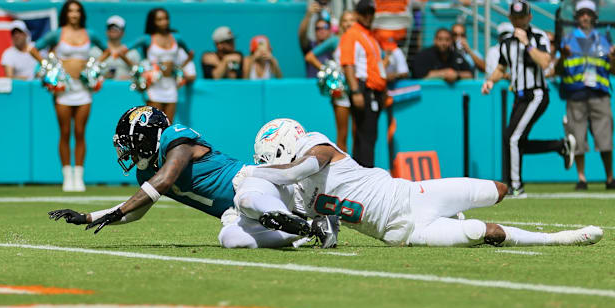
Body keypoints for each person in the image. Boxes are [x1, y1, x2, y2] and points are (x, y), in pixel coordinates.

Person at [232, 119, 603, 248]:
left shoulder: (316, 145)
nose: (268, 165)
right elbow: (306, 226)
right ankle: (557, 238)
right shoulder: (295, 195)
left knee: (497, 190)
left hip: (413, 194)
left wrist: (253, 171)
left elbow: (294, 171)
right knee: (479, 232)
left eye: (268, 158)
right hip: (400, 232)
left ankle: (455, 214)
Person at [46, 106, 335, 249]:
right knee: (230, 238)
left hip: (252, 183)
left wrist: (120, 208)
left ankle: (289, 216)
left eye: (130, 144)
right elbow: (135, 214)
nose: (129, 152)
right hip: (232, 210)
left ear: (146, 137)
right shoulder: (145, 173)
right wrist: (89, 217)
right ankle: (305, 231)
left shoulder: (176, 139)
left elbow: (166, 180)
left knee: (246, 198)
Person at [482, 0, 575, 198]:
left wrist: (526, 43)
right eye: (515, 17)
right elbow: (501, 68)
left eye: (522, 17)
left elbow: (544, 61)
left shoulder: (538, 36)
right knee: (516, 141)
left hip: (537, 94)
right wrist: (490, 81)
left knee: (512, 137)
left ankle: (516, 187)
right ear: (510, 18)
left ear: (529, 17)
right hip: (519, 96)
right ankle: (560, 146)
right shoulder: (506, 43)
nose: (518, 21)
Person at [28, 0, 114, 192]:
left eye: (77, 11)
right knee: (65, 131)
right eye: (70, 11)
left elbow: (107, 50)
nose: (74, 14)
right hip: (64, 88)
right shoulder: (58, 33)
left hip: (83, 87)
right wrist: (50, 68)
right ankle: (67, 176)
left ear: (81, 14)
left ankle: (79, 176)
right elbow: (33, 48)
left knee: (80, 131)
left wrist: (93, 66)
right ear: (65, 14)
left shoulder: (89, 33)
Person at [557, 0, 615, 190]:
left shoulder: (605, 39)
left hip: (599, 93)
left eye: (588, 14)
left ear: (594, 17)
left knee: (605, 138)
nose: (585, 17)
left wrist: (613, 58)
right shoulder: (567, 39)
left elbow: (612, 70)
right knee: (577, 138)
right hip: (576, 95)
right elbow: (558, 69)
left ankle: (609, 178)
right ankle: (582, 179)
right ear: (576, 17)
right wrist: (563, 56)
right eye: (581, 13)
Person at [340, 0, 386, 168]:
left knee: (366, 137)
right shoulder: (352, 34)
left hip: (374, 90)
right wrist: (355, 91)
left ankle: (361, 174)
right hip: (363, 89)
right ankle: (367, 176)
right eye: (364, 12)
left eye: (371, 12)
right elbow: (348, 63)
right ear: (357, 14)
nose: (368, 16)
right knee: (366, 137)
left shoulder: (369, 34)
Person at [128, 8, 194, 121]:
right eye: (159, 19)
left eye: (166, 18)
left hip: (171, 85)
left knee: (168, 125)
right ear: (153, 22)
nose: (164, 22)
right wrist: (139, 70)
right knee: (153, 124)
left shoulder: (176, 38)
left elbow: (191, 54)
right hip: (154, 86)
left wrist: (179, 69)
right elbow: (122, 51)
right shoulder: (147, 39)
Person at [305, 10, 357, 152]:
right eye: (345, 20)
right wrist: (329, 72)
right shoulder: (335, 40)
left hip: (359, 88)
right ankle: (343, 169)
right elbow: (310, 56)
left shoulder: (360, 40)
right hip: (341, 91)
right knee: (343, 134)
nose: (348, 24)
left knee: (358, 132)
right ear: (340, 24)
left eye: (351, 20)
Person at [93, 15, 141, 80]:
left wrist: (129, 78)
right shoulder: (95, 51)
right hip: (102, 89)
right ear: (106, 32)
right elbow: (89, 73)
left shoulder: (133, 53)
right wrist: (103, 77)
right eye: (111, 28)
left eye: (117, 28)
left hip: (125, 89)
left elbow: (140, 74)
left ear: (123, 33)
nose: (113, 30)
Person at [299, 2, 333, 78]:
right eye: (318, 28)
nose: (321, 30)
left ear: (330, 29)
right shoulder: (310, 46)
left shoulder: (334, 48)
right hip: (312, 86)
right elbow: (302, 34)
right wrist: (308, 15)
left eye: (325, 27)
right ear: (315, 31)